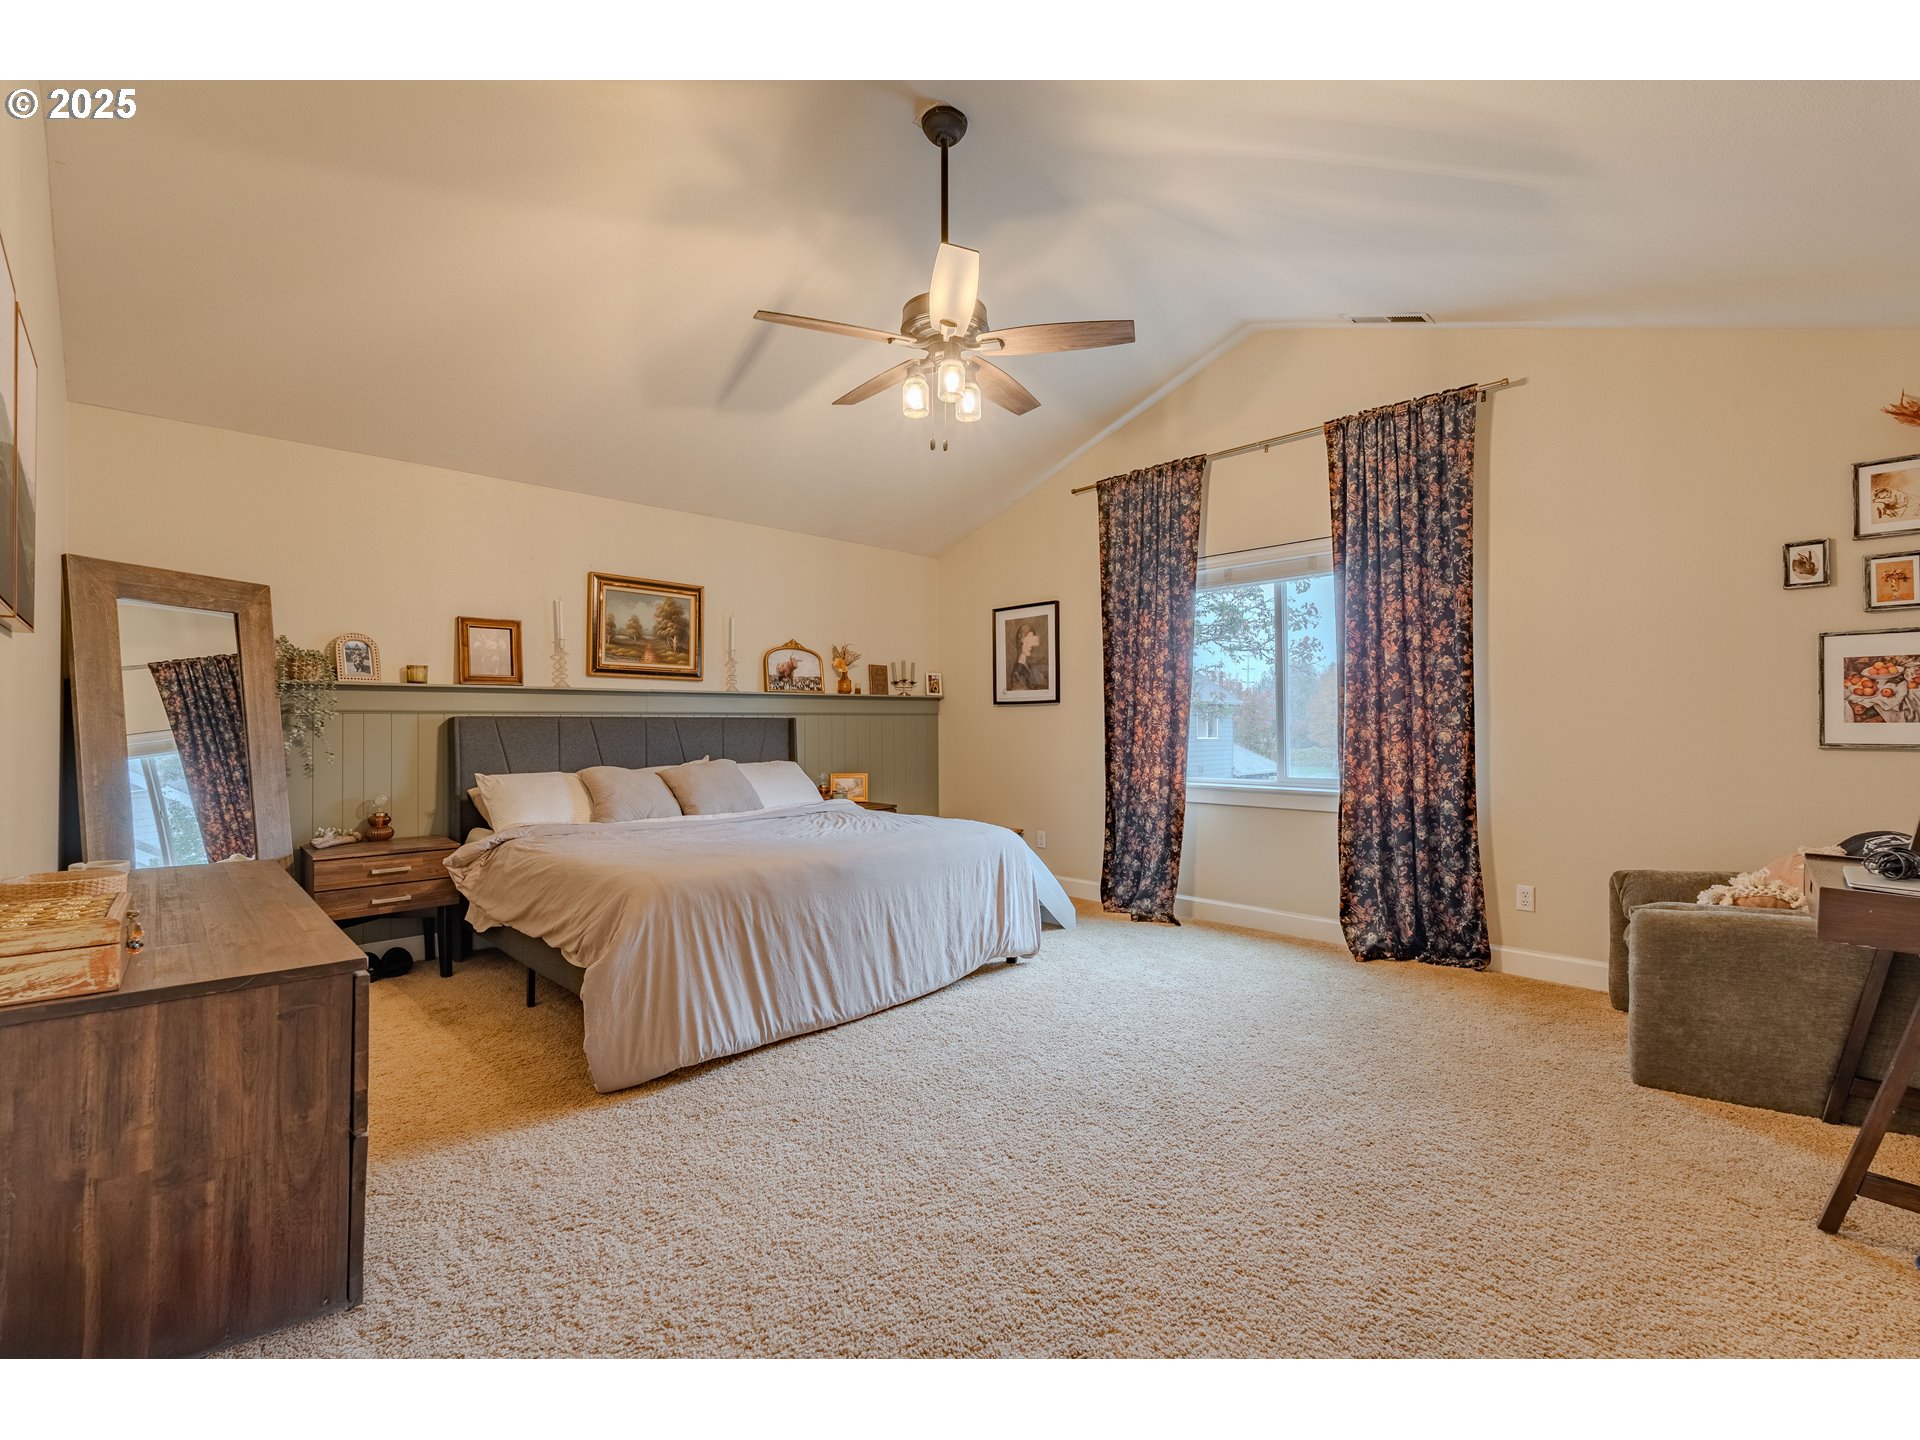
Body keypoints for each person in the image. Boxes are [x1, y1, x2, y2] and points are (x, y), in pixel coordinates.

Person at [1008, 621, 1046, 691]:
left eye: (1032, 641)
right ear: (1020, 642)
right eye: (1028, 642)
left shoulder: (1029, 666)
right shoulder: (1018, 671)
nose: (1031, 646)